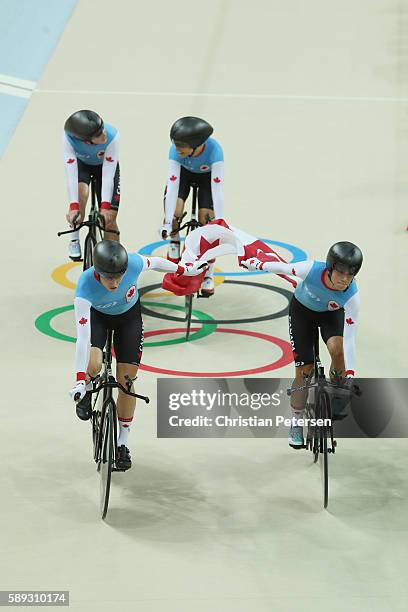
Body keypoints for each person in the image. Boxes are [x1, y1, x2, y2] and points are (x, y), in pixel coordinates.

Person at [69, 240, 205, 470]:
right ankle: (88, 391)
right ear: (98, 273)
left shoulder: (133, 262)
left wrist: (184, 269)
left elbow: (159, 263)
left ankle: (123, 443)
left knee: (127, 381)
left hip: (128, 318)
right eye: (109, 278)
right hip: (98, 318)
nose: (115, 282)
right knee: (92, 365)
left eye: (119, 277)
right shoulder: (84, 288)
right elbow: (82, 338)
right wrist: (79, 380)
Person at [242, 241, 362, 449]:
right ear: (330, 267)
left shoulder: (352, 297)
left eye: (350, 275)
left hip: (330, 317)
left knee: (337, 351)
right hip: (302, 314)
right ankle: (296, 423)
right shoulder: (311, 269)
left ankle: (336, 391)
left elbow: (350, 338)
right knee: (304, 372)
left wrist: (349, 373)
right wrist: (257, 264)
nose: (345, 280)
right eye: (341, 273)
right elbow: (282, 267)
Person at [160, 116, 225, 296]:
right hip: (183, 176)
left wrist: (220, 222)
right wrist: (167, 222)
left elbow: (217, 191)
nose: (176, 148)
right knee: (175, 211)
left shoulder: (215, 152)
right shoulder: (176, 152)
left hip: (207, 179)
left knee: (208, 222)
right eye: (175, 143)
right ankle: (174, 242)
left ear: (196, 145)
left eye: (181, 145)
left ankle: (208, 275)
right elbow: (172, 188)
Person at [63, 110, 121, 261]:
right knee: (81, 194)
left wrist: (106, 206)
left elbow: (108, 174)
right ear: (86, 141)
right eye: (98, 135)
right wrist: (74, 207)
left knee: (110, 220)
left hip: (105, 168)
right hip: (82, 166)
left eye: (102, 128)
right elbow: (71, 174)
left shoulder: (112, 135)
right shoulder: (69, 138)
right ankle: (74, 239)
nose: (104, 134)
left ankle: (113, 260)